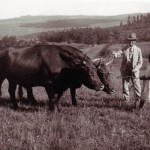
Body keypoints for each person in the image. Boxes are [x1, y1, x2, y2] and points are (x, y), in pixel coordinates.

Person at [112, 32, 143, 109]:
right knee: (125, 86)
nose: (131, 42)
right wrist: (115, 54)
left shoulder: (138, 50)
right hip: (125, 71)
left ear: (135, 41)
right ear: (128, 41)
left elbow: (140, 62)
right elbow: (119, 53)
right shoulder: (125, 48)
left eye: (133, 41)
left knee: (137, 86)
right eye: (130, 41)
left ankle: (138, 101)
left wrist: (136, 68)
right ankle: (127, 101)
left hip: (134, 72)